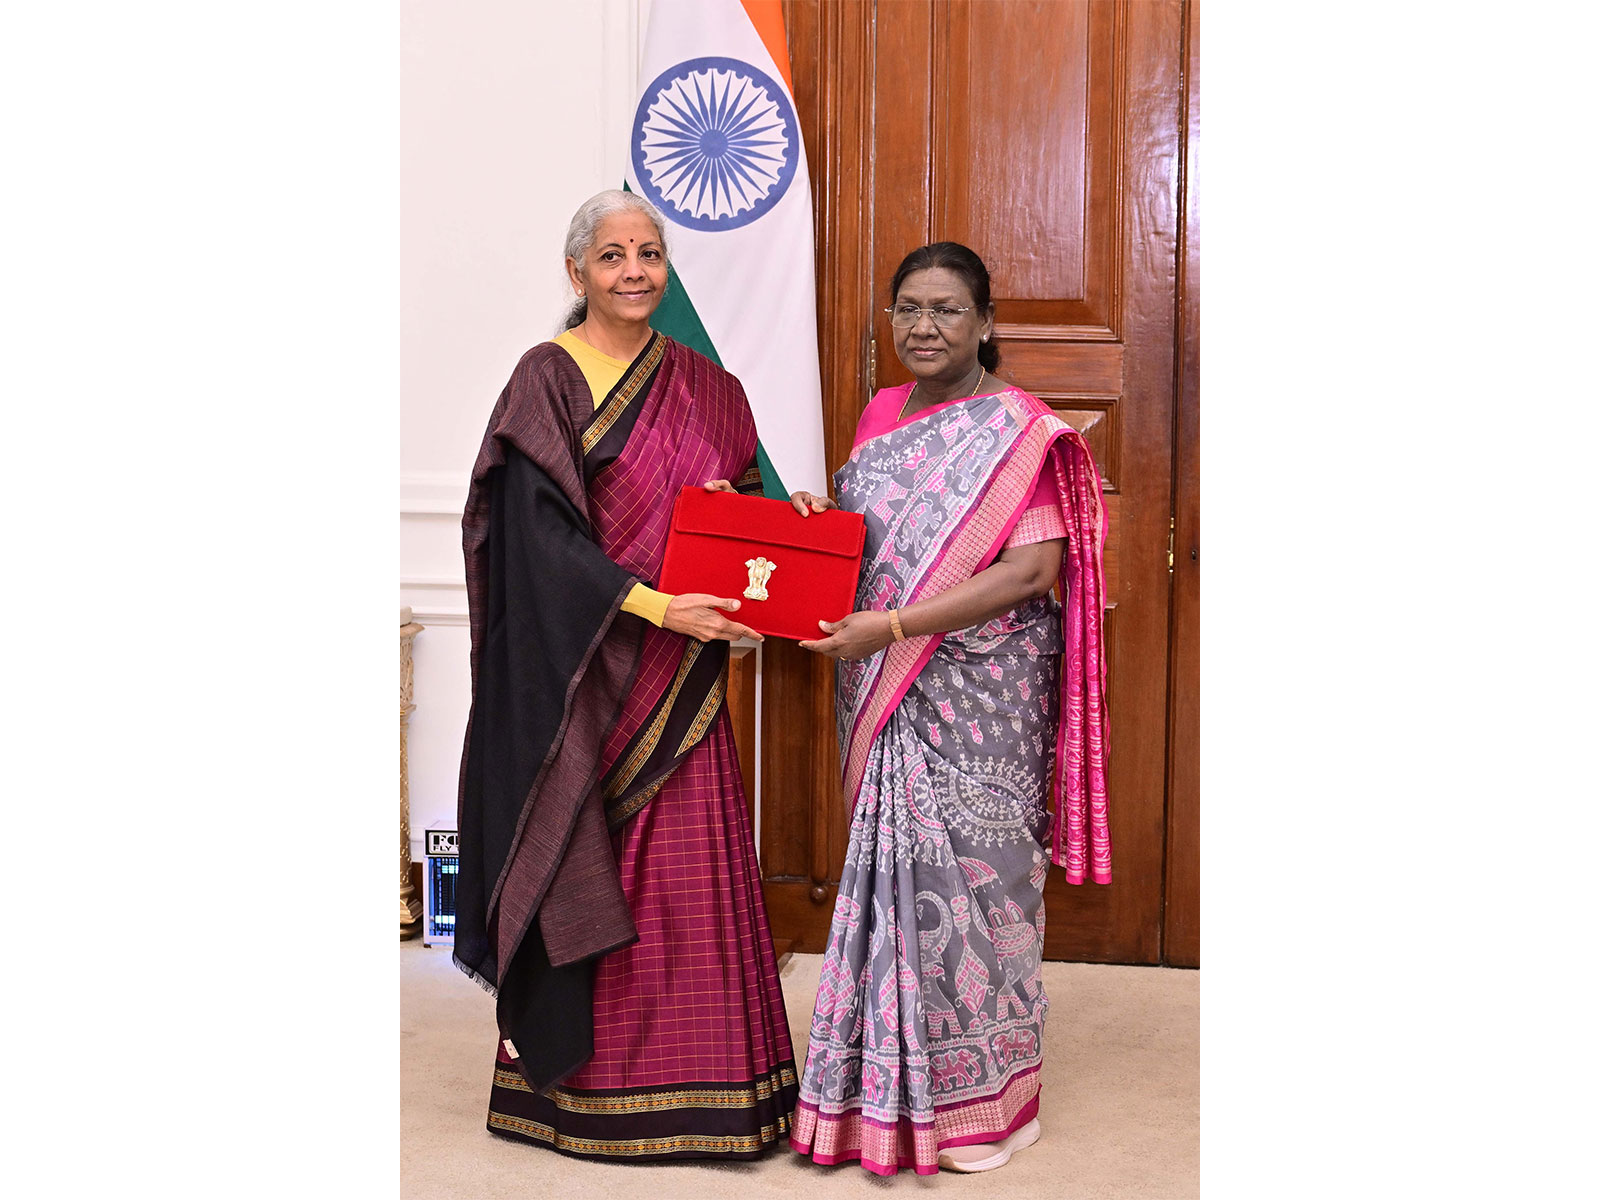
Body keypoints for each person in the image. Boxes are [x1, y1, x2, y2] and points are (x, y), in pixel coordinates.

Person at [454, 189, 798, 1161]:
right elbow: (537, 543)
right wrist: (652, 605)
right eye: (613, 256)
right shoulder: (546, 380)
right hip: (586, 680)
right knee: (584, 861)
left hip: (681, 683)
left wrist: (787, 521)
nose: (635, 271)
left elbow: (732, 505)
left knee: (689, 884)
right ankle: (581, 1096)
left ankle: (718, 1094)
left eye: (649, 253)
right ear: (578, 273)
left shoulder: (705, 385)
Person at [785, 242, 1111, 1176]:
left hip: (982, 692)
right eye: (908, 310)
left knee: (983, 885)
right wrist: (817, 521)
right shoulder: (882, 414)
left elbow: (1031, 571)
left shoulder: (1022, 430)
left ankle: (987, 1107)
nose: (923, 327)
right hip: (885, 677)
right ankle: (878, 1095)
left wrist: (890, 628)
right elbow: (874, 543)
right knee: (895, 888)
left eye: (946, 310)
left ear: (986, 323)